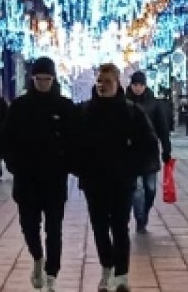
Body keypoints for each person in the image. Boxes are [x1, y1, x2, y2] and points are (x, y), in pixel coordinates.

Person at [72, 63, 158, 292]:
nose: (102, 85)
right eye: (100, 81)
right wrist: (80, 167)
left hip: (122, 180)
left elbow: (148, 145)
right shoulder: (86, 111)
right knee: (100, 227)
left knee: (120, 226)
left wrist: (133, 166)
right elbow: (74, 144)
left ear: (117, 83)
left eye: (107, 81)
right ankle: (106, 268)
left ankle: (121, 274)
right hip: (94, 180)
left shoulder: (131, 112)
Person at [3, 57, 76, 292]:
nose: (43, 83)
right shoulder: (20, 106)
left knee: (54, 227)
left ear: (53, 79)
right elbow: (8, 138)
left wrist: (68, 163)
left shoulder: (64, 107)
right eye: (39, 79)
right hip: (26, 178)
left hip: (54, 178)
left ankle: (52, 274)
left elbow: (75, 140)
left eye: (47, 79)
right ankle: (37, 257)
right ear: (32, 79)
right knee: (29, 226)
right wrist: (13, 164)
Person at [125, 70, 171, 234]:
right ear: (131, 85)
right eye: (135, 85)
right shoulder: (124, 102)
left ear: (145, 86)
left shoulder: (154, 104)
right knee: (137, 190)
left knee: (150, 189)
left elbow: (162, 128)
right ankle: (140, 219)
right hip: (131, 153)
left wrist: (166, 149)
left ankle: (144, 212)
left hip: (150, 152)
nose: (138, 88)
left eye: (141, 85)